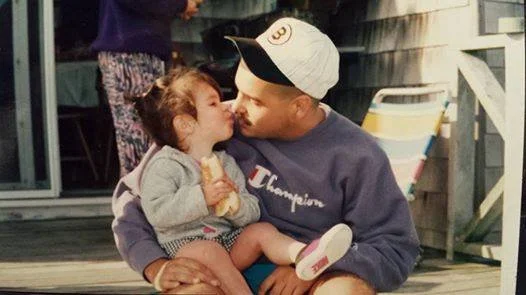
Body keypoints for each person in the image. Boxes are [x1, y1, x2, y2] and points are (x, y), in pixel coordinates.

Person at [111, 17, 420, 294]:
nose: (236, 107)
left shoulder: (358, 155)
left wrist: (318, 271)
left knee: (346, 292)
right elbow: (131, 201)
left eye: (254, 100)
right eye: (237, 91)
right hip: (218, 267)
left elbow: (394, 247)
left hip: (311, 277)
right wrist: (155, 266)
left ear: (298, 107)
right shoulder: (216, 126)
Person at [131, 67, 353, 294]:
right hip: (187, 249)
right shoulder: (166, 165)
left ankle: (304, 255)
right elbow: (157, 211)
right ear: (185, 124)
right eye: (213, 103)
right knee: (207, 250)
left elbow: (251, 212)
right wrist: (202, 197)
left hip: (227, 242)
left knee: (261, 230)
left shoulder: (225, 162)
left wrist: (234, 205)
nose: (227, 108)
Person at [91, 0, 203, 176]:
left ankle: (143, 196)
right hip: (130, 53)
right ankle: (136, 198)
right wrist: (181, 4)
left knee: (143, 132)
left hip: (136, 51)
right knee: (138, 133)